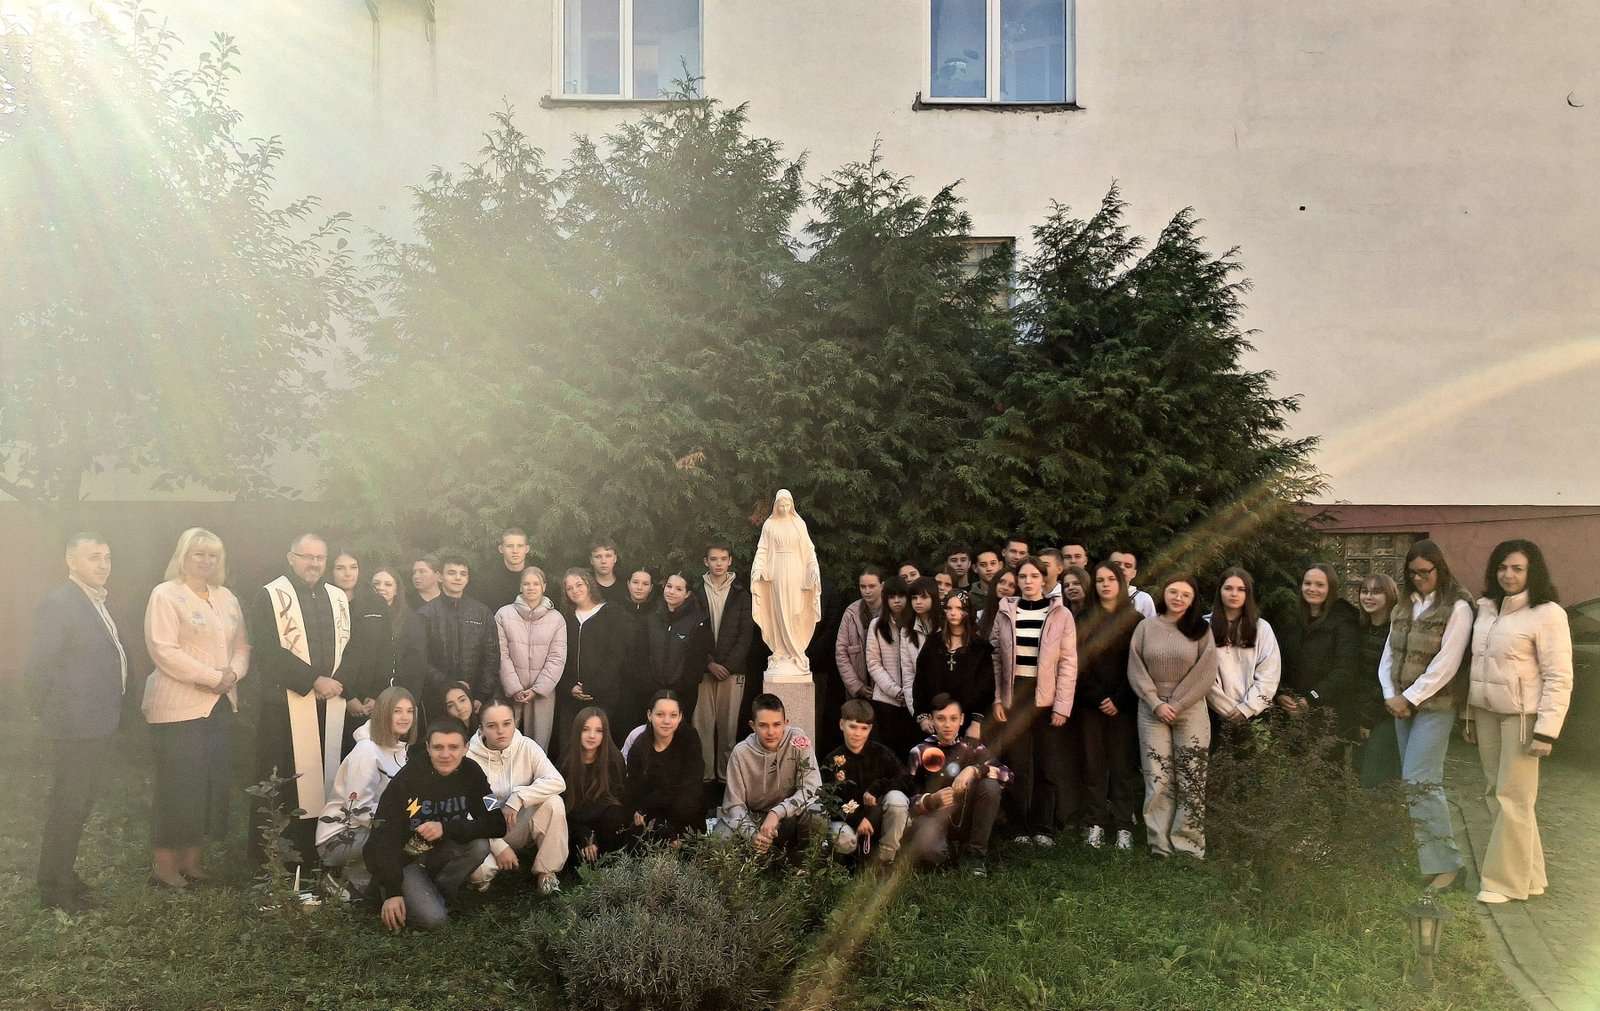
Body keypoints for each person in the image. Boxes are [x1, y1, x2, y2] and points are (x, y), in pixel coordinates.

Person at [1465, 540, 1573, 904]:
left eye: (1517, 568)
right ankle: (1531, 877)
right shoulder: (1486, 608)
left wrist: (1546, 731)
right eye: (1502, 568)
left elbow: (1559, 676)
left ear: (1532, 572)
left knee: (1513, 798)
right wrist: (1469, 714)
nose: (1508, 575)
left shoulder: (1547, 613)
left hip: (1523, 718)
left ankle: (1503, 883)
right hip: (1486, 712)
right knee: (1497, 793)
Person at [142, 527, 250, 889]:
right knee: (178, 786)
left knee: (207, 785)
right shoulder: (166, 594)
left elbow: (242, 646)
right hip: (177, 708)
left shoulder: (226, 597)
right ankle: (164, 867)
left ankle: (191, 863)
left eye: (212, 554)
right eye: (198, 553)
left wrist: (232, 674)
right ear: (183, 557)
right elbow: (163, 649)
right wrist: (211, 676)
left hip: (219, 704)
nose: (206, 560)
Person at [26, 533, 129, 912]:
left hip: (98, 723)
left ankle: (62, 874)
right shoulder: (61, 603)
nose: (103, 564)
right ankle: (54, 889)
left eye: (107, 557)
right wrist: (46, 710)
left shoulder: (95, 601)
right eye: (93, 557)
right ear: (71, 561)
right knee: (67, 805)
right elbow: (38, 666)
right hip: (75, 725)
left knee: (80, 804)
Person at [247, 533, 353, 868]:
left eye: (320, 558)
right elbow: (267, 650)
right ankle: (274, 860)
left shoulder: (337, 597)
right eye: (307, 557)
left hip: (329, 705)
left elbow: (349, 647)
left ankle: (318, 852)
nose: (314, 564)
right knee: (285, 781)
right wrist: (312, 681)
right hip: (285, 705)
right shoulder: (270, 596)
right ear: (291, 558)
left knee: (325, 778)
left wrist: (335, 683)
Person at [1381, 539, 1474, 893]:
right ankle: (1431, 861)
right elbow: (1389, 653)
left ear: (1440, 569)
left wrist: (1409, 697)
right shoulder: (1405, 604)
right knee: (1412, 784)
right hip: (1401, 704)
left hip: (1435, 706)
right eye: (1412, 573)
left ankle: (1449, 866)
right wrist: (1390, 695)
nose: (1418, 579)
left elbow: (1447, 663)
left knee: (1422, 781)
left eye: (1425, 572)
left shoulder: (1458, 607)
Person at [365, 719, 507, 931]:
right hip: (405, 861)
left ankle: (441, 894)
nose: (445, 754)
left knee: (479, 846)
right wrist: (393, 891)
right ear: (428, 748)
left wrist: (445, 828)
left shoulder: (472, 773)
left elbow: (497, 824)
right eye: (438, 747)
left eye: (453, 747)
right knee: (434, 921)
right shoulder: (407, 779)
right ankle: (393, 892)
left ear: (466, 748)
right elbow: (381, 839)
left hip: (440, 853)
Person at [1127, 573, 1218, 859]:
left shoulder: (1201, 630)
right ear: (1164, 594)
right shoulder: (1146, 627)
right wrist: (1155, 702)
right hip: (1151, 710)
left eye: (1185, 595)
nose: (1178, 598)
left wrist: (1176, 703)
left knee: (1192, 776)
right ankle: (1160, 845)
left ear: (1193, 600)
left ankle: (1188, 845)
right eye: (1173, 592)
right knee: (1157, 777)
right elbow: (1136, 668)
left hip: (1190, 709)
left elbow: (1205, 672)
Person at [989, 557, 1078, 843]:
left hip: (1046, 696)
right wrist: (998, 699)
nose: (1028, 581)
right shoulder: (1005, 611)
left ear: (1044, 579)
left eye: (1034, 576)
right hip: (1015, 695)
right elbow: (995, 658)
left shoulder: (1060, 613)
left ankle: (1042, 827)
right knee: (1016, 763)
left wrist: (1062, 706)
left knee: (1046, 764)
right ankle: (1018, 828)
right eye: (1023, 576)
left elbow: (1068, 662)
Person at [1070, 561, 1142, 851]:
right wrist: (1098, 697)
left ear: (1120, 584)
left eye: (1111, 579)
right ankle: (1095, 823)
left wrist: (1119, 698)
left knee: (1122, 766)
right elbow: (1076, 662)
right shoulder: (1083, 619)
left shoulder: (1135, 620)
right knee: (1093, 765)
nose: (1105, 585)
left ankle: (1124, 825)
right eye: (1100, 580)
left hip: (1124, 704)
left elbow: (1139, 664)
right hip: (1090, 703)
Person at [316, 686, 416, 892]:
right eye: (397, 711)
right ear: (383, 713)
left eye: (409, 711)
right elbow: (358, 808)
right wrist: (401, 823)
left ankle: (359, 881)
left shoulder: (400, 751)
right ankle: (342, 876)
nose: (405, 717)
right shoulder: (367, 751)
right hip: (340, 837)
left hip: (373, 830)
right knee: (403, 838)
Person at [466, 701, 567, 895]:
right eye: (492, 726)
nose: (501, 731)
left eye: (507, 723)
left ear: (515, 722)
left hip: (519, 824)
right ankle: (485, 877)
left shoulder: (526, 746)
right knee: (480, 872)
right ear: (481, 728)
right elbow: (466, 810)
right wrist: (499, 846)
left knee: (554, 802)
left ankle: (547, 871)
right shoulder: (470, 756)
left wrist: (519, 797)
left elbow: (557, 781)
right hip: (486, 832)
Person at [905, 694, 1012, 877]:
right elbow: (907, 797)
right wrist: (930, 800)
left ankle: (975, 854)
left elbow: (1007, 776)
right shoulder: (919, 752)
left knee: (990, 785)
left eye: (953, 718)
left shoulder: (972, 747)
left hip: (965, 814)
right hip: (934, 816)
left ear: (962, 720)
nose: (948, 725)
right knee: (934, 855)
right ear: (931, 719)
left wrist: (974, 770)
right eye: (941, 719)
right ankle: (947, 851)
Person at [716, 693, 824, 854]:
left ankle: (802, 862)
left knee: (817, 812)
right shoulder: (741, 753)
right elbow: (734, 804)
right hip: (753, 816)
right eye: (763, 725)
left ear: (786, 723)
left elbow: (812, 788)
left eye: (777, 724)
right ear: (753, 726)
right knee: (720, 838)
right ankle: (750, 865)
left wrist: (777, 812)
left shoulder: (798, 740)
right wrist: (751, 833)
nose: (771, 732)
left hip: (788, 814)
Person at [402, 556, 500, 721]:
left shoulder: (482, 613)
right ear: (440, 577)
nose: (457, 578)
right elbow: (418, 660)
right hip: (436, 698)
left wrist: (481, 695)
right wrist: (448, 685)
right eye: (452, 573)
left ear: (467, 578)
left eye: (463, 574)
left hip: (474, 699)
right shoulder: (424, 614)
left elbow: (492, 659)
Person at [1275, 563, 1362, 741]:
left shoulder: (1344, 624)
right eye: (1307, 583)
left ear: (1331, 589)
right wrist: (1279, 693)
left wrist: (1311, 698)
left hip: (1328, 718)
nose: (1312, 589)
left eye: (1320, 585)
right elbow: (1278, 663)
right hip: (1290, 715)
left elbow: (1345, 670)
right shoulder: (1292, 622)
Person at [822, 700, 912, 869]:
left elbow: (907, 780)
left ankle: (885, 859)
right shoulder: (831, 760)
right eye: (853, 727)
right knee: (842, 837)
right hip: (847, 822)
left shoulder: (881, 752)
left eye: (864, 728)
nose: (858, 734)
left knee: (897, 799)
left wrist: (877, 788)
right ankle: (846, 865)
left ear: (870, 729)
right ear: (842, 725)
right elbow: (829, 802)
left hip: (877, 817)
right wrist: (857, 819)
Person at [693, 541, 755, 783]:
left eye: (723, 559)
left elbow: (745, 634)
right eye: (713, 559)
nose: (718, 564)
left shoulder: (741, 594)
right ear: (705, 561)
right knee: (702, 727)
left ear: (730, 561)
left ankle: (726, 779)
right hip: (703, 670)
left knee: (728, 728)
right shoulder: (696, 591)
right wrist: (708, 663)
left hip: (733, 671)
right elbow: (693, 632)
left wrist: (728, 666)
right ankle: (705, 777)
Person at [749, 490, 822, 675]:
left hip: (797, 571)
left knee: (796, 610)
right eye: (781, 505)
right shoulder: (770, 524)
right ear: (776, 505)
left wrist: (813, 567)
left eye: (787, 505)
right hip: (777, 571)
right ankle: (780, 649)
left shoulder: (799, 523)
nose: (784, 508)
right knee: (780, 610)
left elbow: (808, 549)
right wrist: (758, 567)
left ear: (792, 505)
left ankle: (796, 648)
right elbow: (763, 549)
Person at [1206, 567, 1282, 742]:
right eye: (1228, 588)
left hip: (1254, 716)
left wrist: (1246, 709)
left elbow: (1269, 675)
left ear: (1248, 594)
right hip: (1213, 716)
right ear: (1219, 591)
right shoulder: (1204, 627)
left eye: (1241, 589)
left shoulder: (1262, 628)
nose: (1234, 594)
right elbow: (1202, 676)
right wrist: (1227, 709)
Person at [557, 568, 631, 747]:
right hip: (571, 696)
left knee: (599, 746)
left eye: (579, 584)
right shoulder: (565, 618)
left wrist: (592, 687)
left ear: (589, 584)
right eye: (569, 588)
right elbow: (558, 655)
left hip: (603, 696)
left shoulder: (611, 613)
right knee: (569, 746)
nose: (575, 590)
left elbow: (615, 656)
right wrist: (569, 685)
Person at [496, 567, 567, 750]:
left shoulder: (557, 619)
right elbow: (501, 654)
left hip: (542, 694)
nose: (531, 587)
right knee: (504, 742)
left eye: (536, 583)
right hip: (511, 691)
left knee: (537, 747)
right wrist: (515, 688)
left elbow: (556, 658)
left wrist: (538, 689)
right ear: (520, 586)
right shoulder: (503, 614)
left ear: (544, 587)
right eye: (527, 583)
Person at [913, 590, 993, 741]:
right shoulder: (932, 644)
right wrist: (922, 716)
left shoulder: (980, 648)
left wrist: (976, 722)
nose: (953, 613)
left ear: (968, 611)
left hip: (967, 723)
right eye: (949, 608)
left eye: (959, 608)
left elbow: (985, 689)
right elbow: (920, 682)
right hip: (935, 722)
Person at [627, 691, 706, 839]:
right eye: (660, 715)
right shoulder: (639, 747)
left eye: (673, 715)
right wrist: (638, 810)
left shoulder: (689, 739)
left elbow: (692, 785)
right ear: (649, 715)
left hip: (683, 813)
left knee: (688, 805)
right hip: (652, 816)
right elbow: (634, 790)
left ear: (680, 717)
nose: (667, 721)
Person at [559, 707, 632, 864]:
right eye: (586, 729)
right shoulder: (566, 762)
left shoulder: (614, 760)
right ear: (577, 731)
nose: (592, 736)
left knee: (616, 815)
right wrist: (583, 834)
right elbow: (562, 807)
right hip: (575, 825)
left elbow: (617, 800)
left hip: (603, 825)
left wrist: (594, 836)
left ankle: (608, 859)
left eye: (598, 731)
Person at [330, 549, 384, 755]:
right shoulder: (325, 603)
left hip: (370, 699)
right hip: (335, 694)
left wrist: (376, 694)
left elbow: (385, 650)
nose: (347, 573)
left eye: (353, 567)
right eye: (340, 568)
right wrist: (348, 696)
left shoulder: (375, 602)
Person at [1353, 573, 1402, 787]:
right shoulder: (1359, 629)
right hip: (1360, 710)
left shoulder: (1396, 632)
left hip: (1385, 714)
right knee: (1358, 772)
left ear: (1390, 595)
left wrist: (1368, 718)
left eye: (1376, 592)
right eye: (1364, 591)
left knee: (1376, 778)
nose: (1368, 597)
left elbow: (1386, 680)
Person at [646, 573, 713, 723]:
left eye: (678, 589)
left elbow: (698, 660)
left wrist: (681, 686)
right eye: (669, 586)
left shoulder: (698, 620)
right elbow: (644, 652)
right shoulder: (651, 617)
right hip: (654, 689)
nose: (671, 591)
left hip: (683, 692)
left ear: (687, 594)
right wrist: (651, 683)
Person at [866, 577, 917, 755]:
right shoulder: (876, 625)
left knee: (910, 751)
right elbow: (873, 663)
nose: (896, 601)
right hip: (886, 700)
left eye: (901, 596)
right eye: (891, 596)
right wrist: (895, 691)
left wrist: (910, 692)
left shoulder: (915, 625)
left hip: (914, 699)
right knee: (886, 751)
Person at [835, 565, 886, 704]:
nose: (867, 591)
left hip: (886, 689)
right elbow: (841, 652)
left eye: (872, 586)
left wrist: (888, 686)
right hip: (858, 689)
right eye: (863, 587)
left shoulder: (891, 611)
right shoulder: (851, 613)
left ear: (882, 586)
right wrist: (856, 685)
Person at [369, 566, 412, 686]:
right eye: (376, 583)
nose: (381, 588)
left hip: (397, 686)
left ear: (396, 590)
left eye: (388, 584)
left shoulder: (409, 620)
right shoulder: (359, 615)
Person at [472, 527, 533, 610]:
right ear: (501, 549)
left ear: (527, 549)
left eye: (520, 546)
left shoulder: (537, 580)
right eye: (509, 546)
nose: (515, 551)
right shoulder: (486, 581)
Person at [973, 567, 1017, 646]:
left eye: (1011, 585)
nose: (1005, 588)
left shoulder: (1018, 616)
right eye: (1001, 582)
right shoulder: (980, 615)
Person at [1108, 550, 1157, 619]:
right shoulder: (1096, 595)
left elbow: (1151, 625)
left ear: (1134, 573)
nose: (1122, 568)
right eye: (1116, 564)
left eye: (1128, 566)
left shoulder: (1144, 599)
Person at [969, 548, 1003, 615]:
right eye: (983, 565)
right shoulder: (968, 599)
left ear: (1000, 565)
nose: (989, 569)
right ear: (975, 568)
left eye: (993, 563)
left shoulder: (1008, 595)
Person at [589, 538, 624, 603]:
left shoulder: (625, 585)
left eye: (608, 556)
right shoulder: (585, 587)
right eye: (598, 557)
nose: (603, 561)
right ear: (591, 560)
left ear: (615, 558)